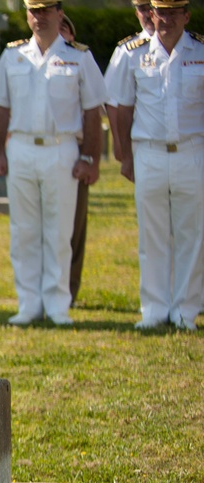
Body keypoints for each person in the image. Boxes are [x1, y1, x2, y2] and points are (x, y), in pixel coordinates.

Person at [0, 0, 105, 326]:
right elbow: (0, 107)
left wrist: (89, 158)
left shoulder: (78, 56)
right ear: (27, 14)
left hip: (61, 148)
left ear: (59, 13)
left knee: (58, 229)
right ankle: (28, 303)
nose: (39, 17)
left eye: (45, 10)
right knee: (23, 230)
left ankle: (57, 304)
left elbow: (92, 110)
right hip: (22, 147)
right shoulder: (13, 55)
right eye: (33, 10)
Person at [108, 0, 203, 330]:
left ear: (186, 16)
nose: (165, 19)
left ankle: (185, 311)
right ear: (152, 13)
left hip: (192, 150)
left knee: (192, 234)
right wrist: (124, 154)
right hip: (148, 151)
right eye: (161, 12)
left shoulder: (200, 50)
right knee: (152, 234)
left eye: (174, 12)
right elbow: (119, 106)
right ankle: (154, 308)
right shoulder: (132, 51)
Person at [58, 13, 92, 305]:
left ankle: (70, 288)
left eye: (64, 30)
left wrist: (90, 157)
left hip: (75, 153)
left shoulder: (80, 62)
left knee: (74, 227)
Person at [104, 0, 155, 162]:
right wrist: (119, 144)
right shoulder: (126, 51)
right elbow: (112, 101)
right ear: (136, 13)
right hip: (144, 144)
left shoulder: (194, 48)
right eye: (142, 9)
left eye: (151, 9)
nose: (148, 15)